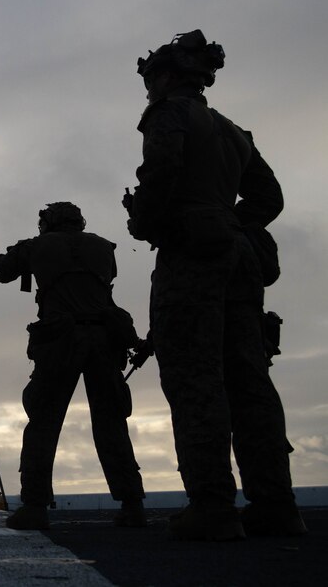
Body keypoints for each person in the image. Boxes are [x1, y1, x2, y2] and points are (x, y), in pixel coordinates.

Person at [126, 30, 305, 541]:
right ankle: (275, 505)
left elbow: (161, 173)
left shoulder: (168, 115)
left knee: (194, 379)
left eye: (149, 78)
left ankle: (212, 505)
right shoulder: (233, 130)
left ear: (165, 76)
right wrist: (229, 223)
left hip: (193, 259)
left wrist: (157, 223)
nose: (147, 88)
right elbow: (268, 198)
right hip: (239, 260)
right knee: (249, 381)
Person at [0, 202, 146, 530]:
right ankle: (132, 504)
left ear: (48, 222)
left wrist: (0, 260)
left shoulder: (37, 245)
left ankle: (35, 506)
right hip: (104, 340)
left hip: (61, 340)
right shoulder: (102, 247)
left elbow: (3, 272)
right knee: (111, 424)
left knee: (43, 422)